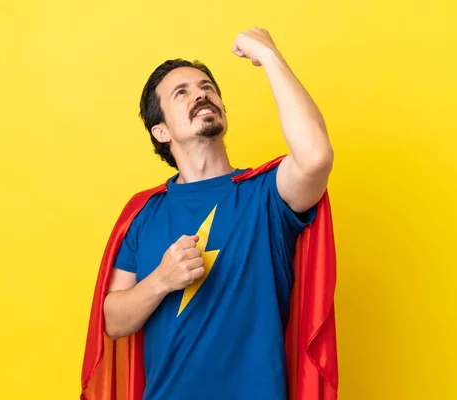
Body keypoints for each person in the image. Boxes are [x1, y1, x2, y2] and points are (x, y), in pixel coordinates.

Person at [81, 27, 337, 400]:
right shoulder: (143, 213)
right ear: (162, 131)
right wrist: (162, 280)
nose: (201, 93)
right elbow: (113, 321)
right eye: (181, 92)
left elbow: (316, 158)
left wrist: (268, 56)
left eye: (207, 87)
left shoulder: (265, 194)